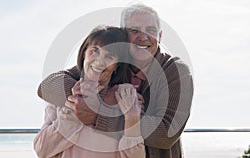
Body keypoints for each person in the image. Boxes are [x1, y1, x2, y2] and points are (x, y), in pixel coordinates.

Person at [37, 4, 193, 158]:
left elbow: (166, 134)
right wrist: (104, 97)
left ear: (160, 36)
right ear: (124, 35)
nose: (143, 37)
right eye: (134, 30)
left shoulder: (177, 71)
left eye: (151, 30)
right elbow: (47, 86)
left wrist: (98, 113)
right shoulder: (111, 61)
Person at [34, 26, 145, 158]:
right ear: (84, 53)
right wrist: (75, 111)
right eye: (95, 51)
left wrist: (131, 119)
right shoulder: (61, 95)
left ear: (117, 65)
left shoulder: (126, 96)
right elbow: (42, 150)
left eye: (109, 56)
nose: (99, 61)